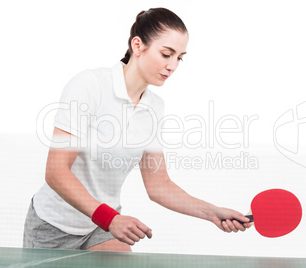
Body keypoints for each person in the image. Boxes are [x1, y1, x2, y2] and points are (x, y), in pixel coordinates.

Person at [23, 7, 251, 252]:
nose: (173, 65)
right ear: (138, 45)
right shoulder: (89, 85)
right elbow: (56, 171)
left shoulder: (154, 106)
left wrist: (212, 212)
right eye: (166, 54)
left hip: (101, 227)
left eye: (180, 57)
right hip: (55, 226)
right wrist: (109, 219)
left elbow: (158, 185)